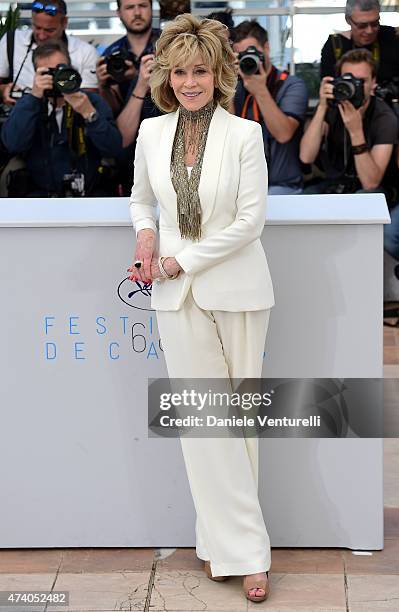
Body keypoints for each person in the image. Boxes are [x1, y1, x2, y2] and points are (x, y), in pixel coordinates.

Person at [127, 13, 275, 604]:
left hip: (236, 289)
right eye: (180, 71)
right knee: (204, 424)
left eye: (201, 71)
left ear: (218, 75)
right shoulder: (151, 133)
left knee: (238, 426)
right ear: (167, 75)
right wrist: (145, 239)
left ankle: (221, 544)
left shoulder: (244, 136)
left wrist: (179, 262)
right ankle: (249, 553)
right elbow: (142, 203)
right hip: (173, 294)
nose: (190, 81)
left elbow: (249, 224)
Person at [1, 40, 122, 197]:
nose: (57, 78)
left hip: (89, 192)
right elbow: (13, 144)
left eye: (61, 70)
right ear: (36, 75)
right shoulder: (29, 104)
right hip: (41, 194)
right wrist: (34, 98)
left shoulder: (91, 101)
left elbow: (114, 149)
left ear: (71, 69)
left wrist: (90, 115)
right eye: (48, 73)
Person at [300, 49, 398, 195]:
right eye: (348, 80)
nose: (354, 86)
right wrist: (322, 106)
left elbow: (370, 183)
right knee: (306, 197)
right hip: (335, 183)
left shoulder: (384, 117)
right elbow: (306, 157)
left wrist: (356, 132)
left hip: (372, 189)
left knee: (364, 196)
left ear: (373, 82)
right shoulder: (331, 107)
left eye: (361, 81)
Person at [230, 19, 308, 195]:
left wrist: (260, 91)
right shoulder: (234, 86)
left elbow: (284, 134)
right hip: (241, 185)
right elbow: (228, 136)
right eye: (241, 55)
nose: (248, 60)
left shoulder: (291, 85)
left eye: (252, 52)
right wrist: (228, 85)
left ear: (266, 48)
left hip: (282, 186)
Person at [0, 0, 98, 105]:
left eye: (49, 30)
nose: (41, 36)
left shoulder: (85, 52)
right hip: (21, 113)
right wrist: (3, 90)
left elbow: (91, 99)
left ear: (64, 22)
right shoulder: (12, 41)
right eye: (37, 28)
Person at [97, 0, 160, 116]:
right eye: (129, 7)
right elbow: (114, 111)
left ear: (151, 9)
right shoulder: (111, 53)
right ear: (119, 13)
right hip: (129, 126)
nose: (137, 13)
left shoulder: (169, 44)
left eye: (143, 6)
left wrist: (136, 76)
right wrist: (103, 87)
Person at [320, 0, 399, 86]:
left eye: (375, 23)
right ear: (348, 20)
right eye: (362, 26)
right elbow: (329, 85)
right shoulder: (335, 45)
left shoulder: (393, 37)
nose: (369, 31)